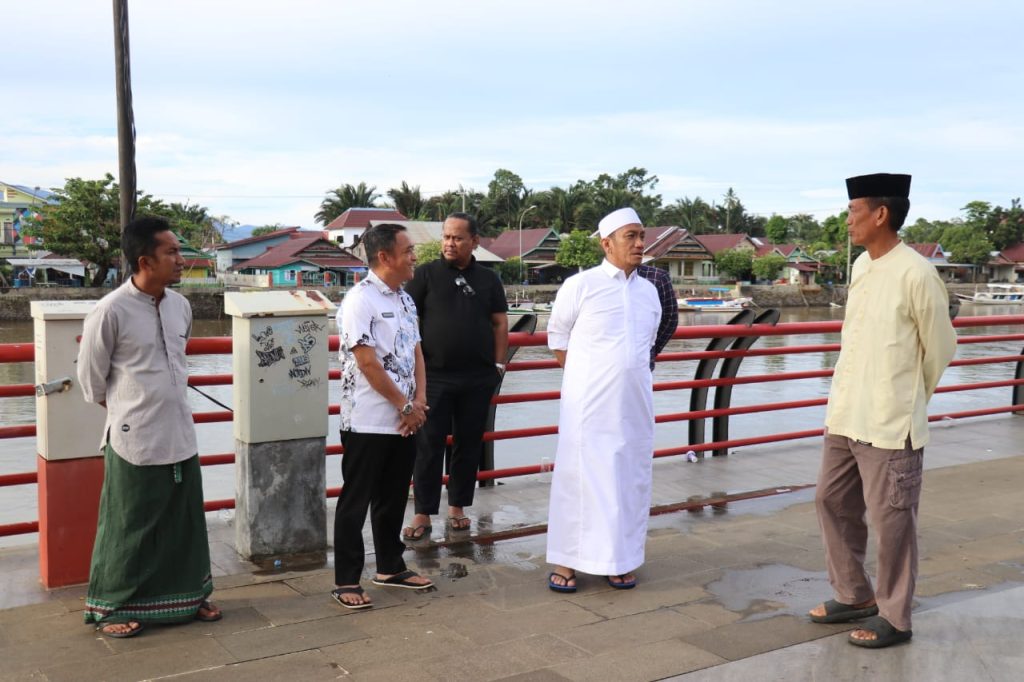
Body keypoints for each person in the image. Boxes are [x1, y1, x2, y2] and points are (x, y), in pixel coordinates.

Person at [808, 173, 957, 648]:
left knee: (892, 521)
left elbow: (940, 347)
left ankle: (895, 617)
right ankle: (854, 595)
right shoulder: (861, 266)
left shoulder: (917, 273)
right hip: (846, 413)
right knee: (831, 501)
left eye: (854, 211)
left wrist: (906, 399)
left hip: (890, 423)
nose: (847, 220)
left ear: (881, 214)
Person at [78, 216, 221, 638]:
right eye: (171, 252)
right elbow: (91, 382)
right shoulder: (110, 310)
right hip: (133, 438)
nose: (181, 260)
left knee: (184, 522)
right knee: (129, 526)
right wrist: (132, 411)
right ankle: (113, 606)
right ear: (145, 261)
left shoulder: (181, 307)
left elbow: (179, 358)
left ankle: (188, 598)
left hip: (179, 430)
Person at [545, 207, 661, 592]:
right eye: (631, 236)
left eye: (641, 236)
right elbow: (558, 338)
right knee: (579, 481)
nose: (640, 243)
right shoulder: (580, 285)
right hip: (588, 407)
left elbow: (646, 345)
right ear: (606, 243)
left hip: (634, 404)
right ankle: (567, 562)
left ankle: (620, 560)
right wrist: (588, 379)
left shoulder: (649, 291)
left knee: (628, 480)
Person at [333, 223, 433, 609]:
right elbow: (367, 363)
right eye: (408, 251)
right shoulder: (360, 300)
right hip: (367, 419)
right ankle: (346, 579)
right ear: (384, 257)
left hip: (404, 418)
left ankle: (390, 566)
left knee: (393, 496)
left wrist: (419, 401)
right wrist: (405, 405)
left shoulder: (405, 299)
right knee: (356, 500)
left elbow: (417, 352)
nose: (414, 257)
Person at [401, 212, 509, 539]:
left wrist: (498, 366)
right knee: (428, 445)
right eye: (446, 237)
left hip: (477, 377)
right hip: (433, 377)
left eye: (457, 238)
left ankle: (457, 507)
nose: (449, 243)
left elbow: (500, 323)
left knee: (468, 444)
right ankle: (422, 513)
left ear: (474, 241)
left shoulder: (489, 279)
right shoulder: (425, 274)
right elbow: (408, 321)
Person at [635, 263, 679, 369]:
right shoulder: (595, 280)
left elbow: (670, 319)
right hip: (601, 367)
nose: (639, 245)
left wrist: (650, 349)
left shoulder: (657, 277)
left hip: (643, 365)